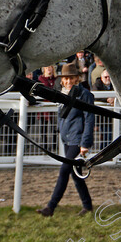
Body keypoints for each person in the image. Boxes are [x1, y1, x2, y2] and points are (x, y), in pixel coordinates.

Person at [37, 62, 95, 217]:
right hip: (66, 138)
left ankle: (51, 207)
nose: (68, 81)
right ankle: (87, 205)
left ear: (77, 78)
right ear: (62, 80)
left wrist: (85, 143)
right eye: (66, 78)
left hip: (77, 139)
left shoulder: (85, 95)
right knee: (75, 174)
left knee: (64, 170)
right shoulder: (62, 93)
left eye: (71, 78)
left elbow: (89, 119)